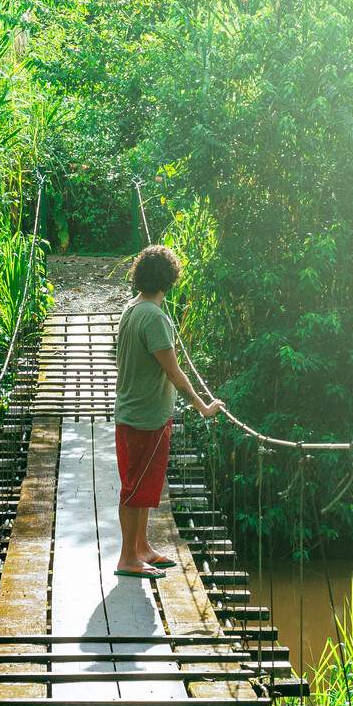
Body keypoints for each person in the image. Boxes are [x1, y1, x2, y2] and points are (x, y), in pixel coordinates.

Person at [112, 244, 221, 578]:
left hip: (135, 413)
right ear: (169, 280)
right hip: (145, 418)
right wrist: (203, 406)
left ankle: (141, 547)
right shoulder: (155, 318)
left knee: (142, 485)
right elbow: (174, 372)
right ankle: (128, 558)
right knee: (135, 488)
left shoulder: (133, 309)